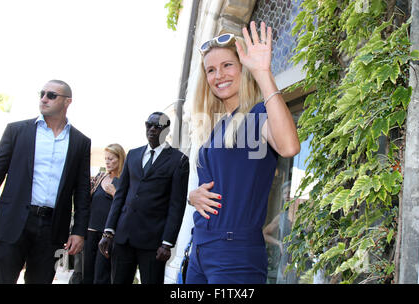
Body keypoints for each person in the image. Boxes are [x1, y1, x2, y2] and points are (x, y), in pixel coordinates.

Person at [186, 21, 301, 284]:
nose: (219, 76)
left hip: (234, 254)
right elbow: (216, 185)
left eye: (227, 65)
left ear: (243, 67)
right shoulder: (214, 126)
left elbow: (290, 147)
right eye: (211, 70)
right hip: (200, 248)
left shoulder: (258, 114)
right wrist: (192, 197)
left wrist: (263, 72)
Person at [0, 80, 91, 284]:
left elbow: (82, 190)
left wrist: (79, 231)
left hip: (51, 229)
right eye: (42, 94)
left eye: (51, 95)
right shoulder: (16, 131)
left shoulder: (80, 142)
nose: (44, 99)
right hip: (13, 222)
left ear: (67, 101)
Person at [98, 112, 189, 284]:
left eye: (158, 126)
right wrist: (108, 231)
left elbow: (176, 205)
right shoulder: (133, 154)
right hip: (123, 237)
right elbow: (120, 196)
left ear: (167, 129)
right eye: (149, 125)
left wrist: (167, 243)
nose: (152, 129)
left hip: (153, 243)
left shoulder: (179, 160)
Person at [83, 143, 125, 284]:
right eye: (106, 158)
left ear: (120, 159)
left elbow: (127, 208)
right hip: (90, 232)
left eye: (111, 159)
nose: (107, 162)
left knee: (102, 276)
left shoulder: (124, 181)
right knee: (86, 274)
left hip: (107, 235)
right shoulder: (100, 177)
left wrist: (115, 194)